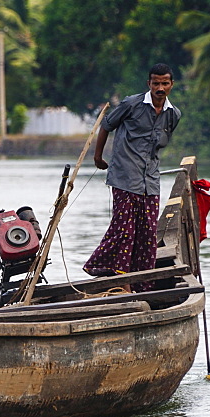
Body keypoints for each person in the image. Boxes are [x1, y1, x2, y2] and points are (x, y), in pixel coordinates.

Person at [83, 63, 181, 290]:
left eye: (164, 83)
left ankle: (142, 283)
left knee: (147, 235)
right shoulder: (131, 104)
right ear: (149, 84)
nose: (160, 87)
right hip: (124, 177)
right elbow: (106, 125)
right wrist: (98, 157)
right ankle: (120, 280)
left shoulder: (173, 114)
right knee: (124, 230)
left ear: (171, 85)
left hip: (150, 182)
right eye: (156, 83)